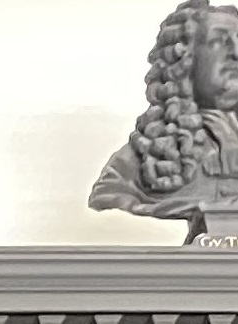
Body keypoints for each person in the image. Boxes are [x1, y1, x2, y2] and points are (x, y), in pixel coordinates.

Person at [92, 0, 238, 235]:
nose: (236, 52)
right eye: (220, 41)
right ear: (185, 60)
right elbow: (108, 213)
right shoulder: (135, 164)